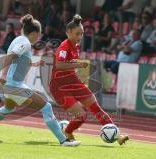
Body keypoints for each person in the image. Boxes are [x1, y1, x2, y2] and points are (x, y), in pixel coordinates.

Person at [0, 14, 81, 147]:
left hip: (9, 86)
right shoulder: (25, 43)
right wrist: (3, 74)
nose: (39, 37)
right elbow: (11, 56)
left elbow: (18, 59)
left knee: (8, 108)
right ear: (34, 33)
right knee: (46, 106)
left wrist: (34, 64)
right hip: (14, 86)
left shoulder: (18, 39)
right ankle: (63, 140)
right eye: (39, 34)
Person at [49, 14, 129, 145]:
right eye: (77, 34)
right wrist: (78, 65)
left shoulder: (75, 45)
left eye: (81, 34)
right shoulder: (64, 46)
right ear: (68, 33)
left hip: (73, 83)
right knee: (82, 115)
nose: (80, 37)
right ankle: (67, 132)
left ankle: (117, 136)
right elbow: (59, 65)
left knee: (96, 107)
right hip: (60, 88)